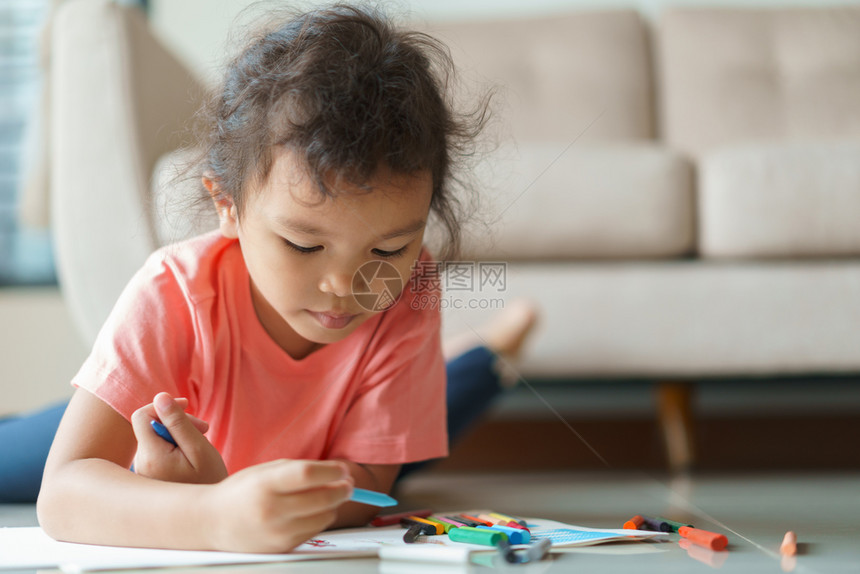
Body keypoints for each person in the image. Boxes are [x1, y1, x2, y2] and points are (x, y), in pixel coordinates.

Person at [25, 4, 537, 553]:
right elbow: (62, 493)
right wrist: (209, 513)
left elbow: (370, 485)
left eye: (388, 249)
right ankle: (485, 351)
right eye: (304, 244)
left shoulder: (408, 291)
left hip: (326, 437)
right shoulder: (173, 291)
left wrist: (241, 499)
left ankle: (483, 354)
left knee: (428, 433)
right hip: (145, 437)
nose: (346, 285)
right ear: (227, 205)